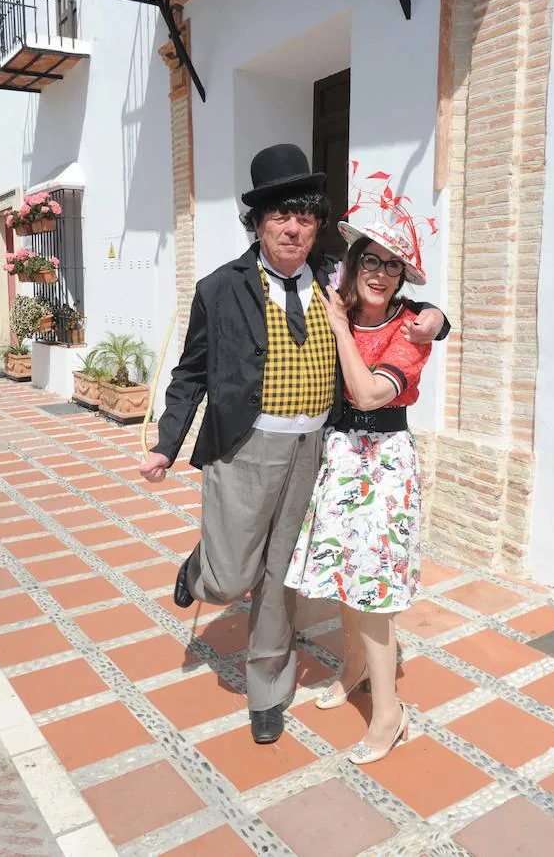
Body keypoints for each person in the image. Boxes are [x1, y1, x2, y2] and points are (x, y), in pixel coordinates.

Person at [139, 145, 449, 745]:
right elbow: (190, 373)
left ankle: (268, 689)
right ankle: (203, 564)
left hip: (315, 450)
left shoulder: (336, 273)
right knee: (231, 580)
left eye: (304, 218)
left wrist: (437, 316)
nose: (293, 228)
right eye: (280, 216)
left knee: (282, 579)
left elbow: (394, 295)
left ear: (315, 227)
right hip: (243, 446)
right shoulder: (219, 289)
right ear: (257, 223)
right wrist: (165, 443)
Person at [285, 170, 435, 765]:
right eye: (370, 261)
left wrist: (343, 328)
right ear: (352, 264)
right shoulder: (339, 308)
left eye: (392, 267)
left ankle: (390, 713)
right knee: (346, 577)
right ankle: (352, 668)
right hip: (340, 456)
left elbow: (371, 394)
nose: (379, 273)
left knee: (373, 588)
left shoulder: (411, 330)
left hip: (384, 464)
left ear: (403, 279)